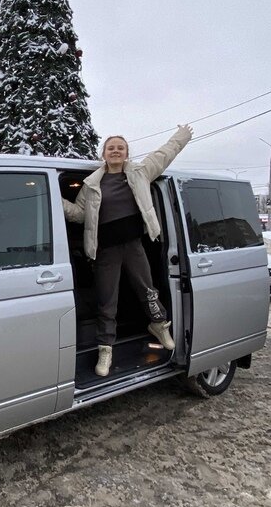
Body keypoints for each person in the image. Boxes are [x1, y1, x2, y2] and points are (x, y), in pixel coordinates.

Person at [63, 125, 193, 377]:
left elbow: (164, 154)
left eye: (120, 148)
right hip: (106, 251)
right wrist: (53, 199)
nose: (115, 151)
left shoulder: (140, 173)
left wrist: (182, 136)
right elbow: (79, 215)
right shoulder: (91, 184)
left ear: (126, 153)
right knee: (106, 301)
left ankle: (158, 324)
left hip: (134, 246)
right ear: (103, 153)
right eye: (111, 148)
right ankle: (105, 350)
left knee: (148, 290)